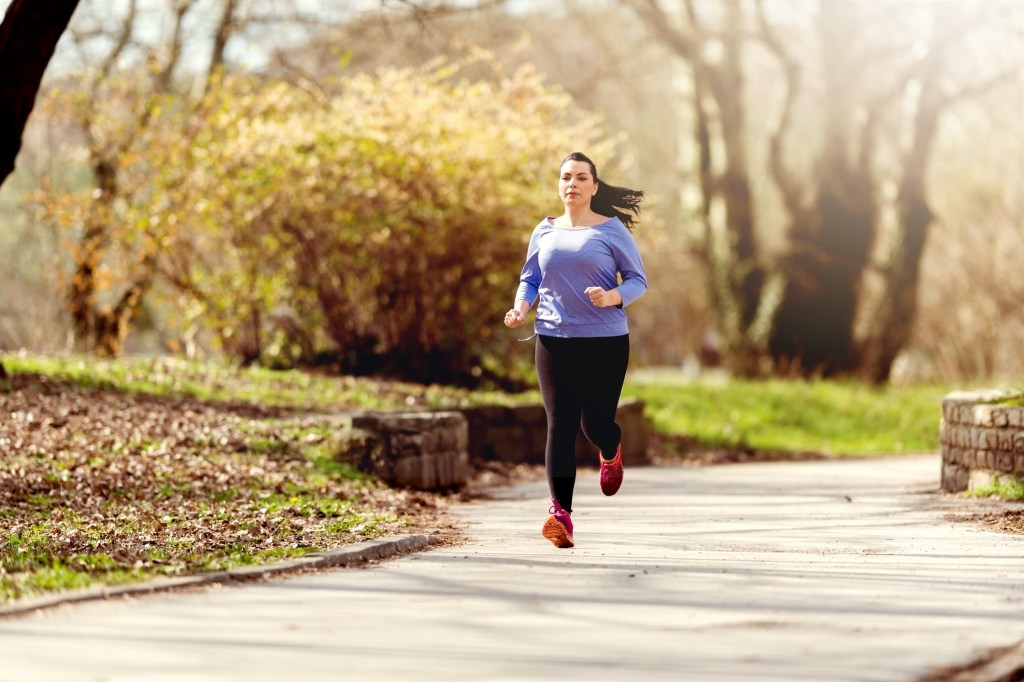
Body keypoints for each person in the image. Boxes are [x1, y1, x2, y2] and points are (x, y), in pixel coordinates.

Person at [503, 151, 647, 549]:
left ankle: (610, 447)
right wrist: (520, 307)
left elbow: (638, 280)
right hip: (552, 337)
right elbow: (529, 279)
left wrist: (613, 296)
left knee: (594, 424)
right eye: (566, 177)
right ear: (559, 185)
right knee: (560, 425)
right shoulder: (544, 231)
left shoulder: (612, 230)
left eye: (581, 178)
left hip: (605, 340)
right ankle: (560, 515)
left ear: (594, 187)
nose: (573, 184)